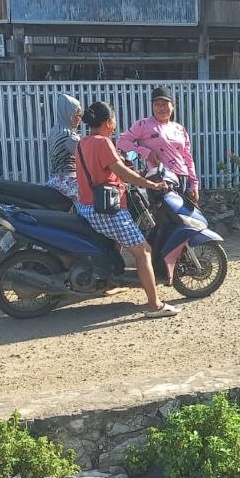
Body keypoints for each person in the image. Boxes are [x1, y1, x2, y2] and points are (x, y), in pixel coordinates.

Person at [75, 102, 181, 318]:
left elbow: (107, 170)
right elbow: (122, 173)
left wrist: (131, 172)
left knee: (120, 243)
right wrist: (151, 184)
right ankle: (155, 305)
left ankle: (112, 279)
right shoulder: (103, 142)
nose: (115, 125)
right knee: (144, 251)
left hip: (87, 207)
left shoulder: (82, 143)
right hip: (107, 211)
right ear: (107, 122)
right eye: (114, 120)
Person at [117, 86, 200, 204]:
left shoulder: (180, 129)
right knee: (164, 213)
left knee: (183, 214)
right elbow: (122, 142)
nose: (161, 108)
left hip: (182, 178)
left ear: (173, 105)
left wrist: (194, 185)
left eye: (164, 104)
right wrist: (146, 152)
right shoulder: (143, 125)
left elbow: (187, 157)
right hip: (159, 179)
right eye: (157, 104)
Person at [46, 93, 83, 200]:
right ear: (69, 114)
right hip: (68, 182)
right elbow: (85, 158)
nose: (80, 119)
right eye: (78, 115)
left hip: (54, 180)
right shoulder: (69, 136)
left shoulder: (54, 131)